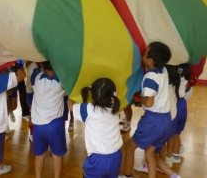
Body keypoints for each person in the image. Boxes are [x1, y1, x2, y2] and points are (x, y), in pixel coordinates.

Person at [119, 42, 181, 178]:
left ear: (151, 59)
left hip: (153, 121)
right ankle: (173, 175)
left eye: (145, 52)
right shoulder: (163, 70)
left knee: (129, 148)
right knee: (150, 152)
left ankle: (128, 175)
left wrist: (138, 98)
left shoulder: (150, 77)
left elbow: (149, 101)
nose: (142, 54)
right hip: (166, 119)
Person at [68, 78, 122, 178]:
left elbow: (70, 105)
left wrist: (72, 93)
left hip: (98, 160)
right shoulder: (115, 106)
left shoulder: (88, 109)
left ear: (93, 95)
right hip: (116, 156)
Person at [30, 61, 67, 178]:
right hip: (56, 125)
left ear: (43, 67)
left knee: (39, 155)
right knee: (57, 155)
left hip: (38, 126)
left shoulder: (36, 77)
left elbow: (33, 65)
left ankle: (38, 176)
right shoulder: (62, 82)